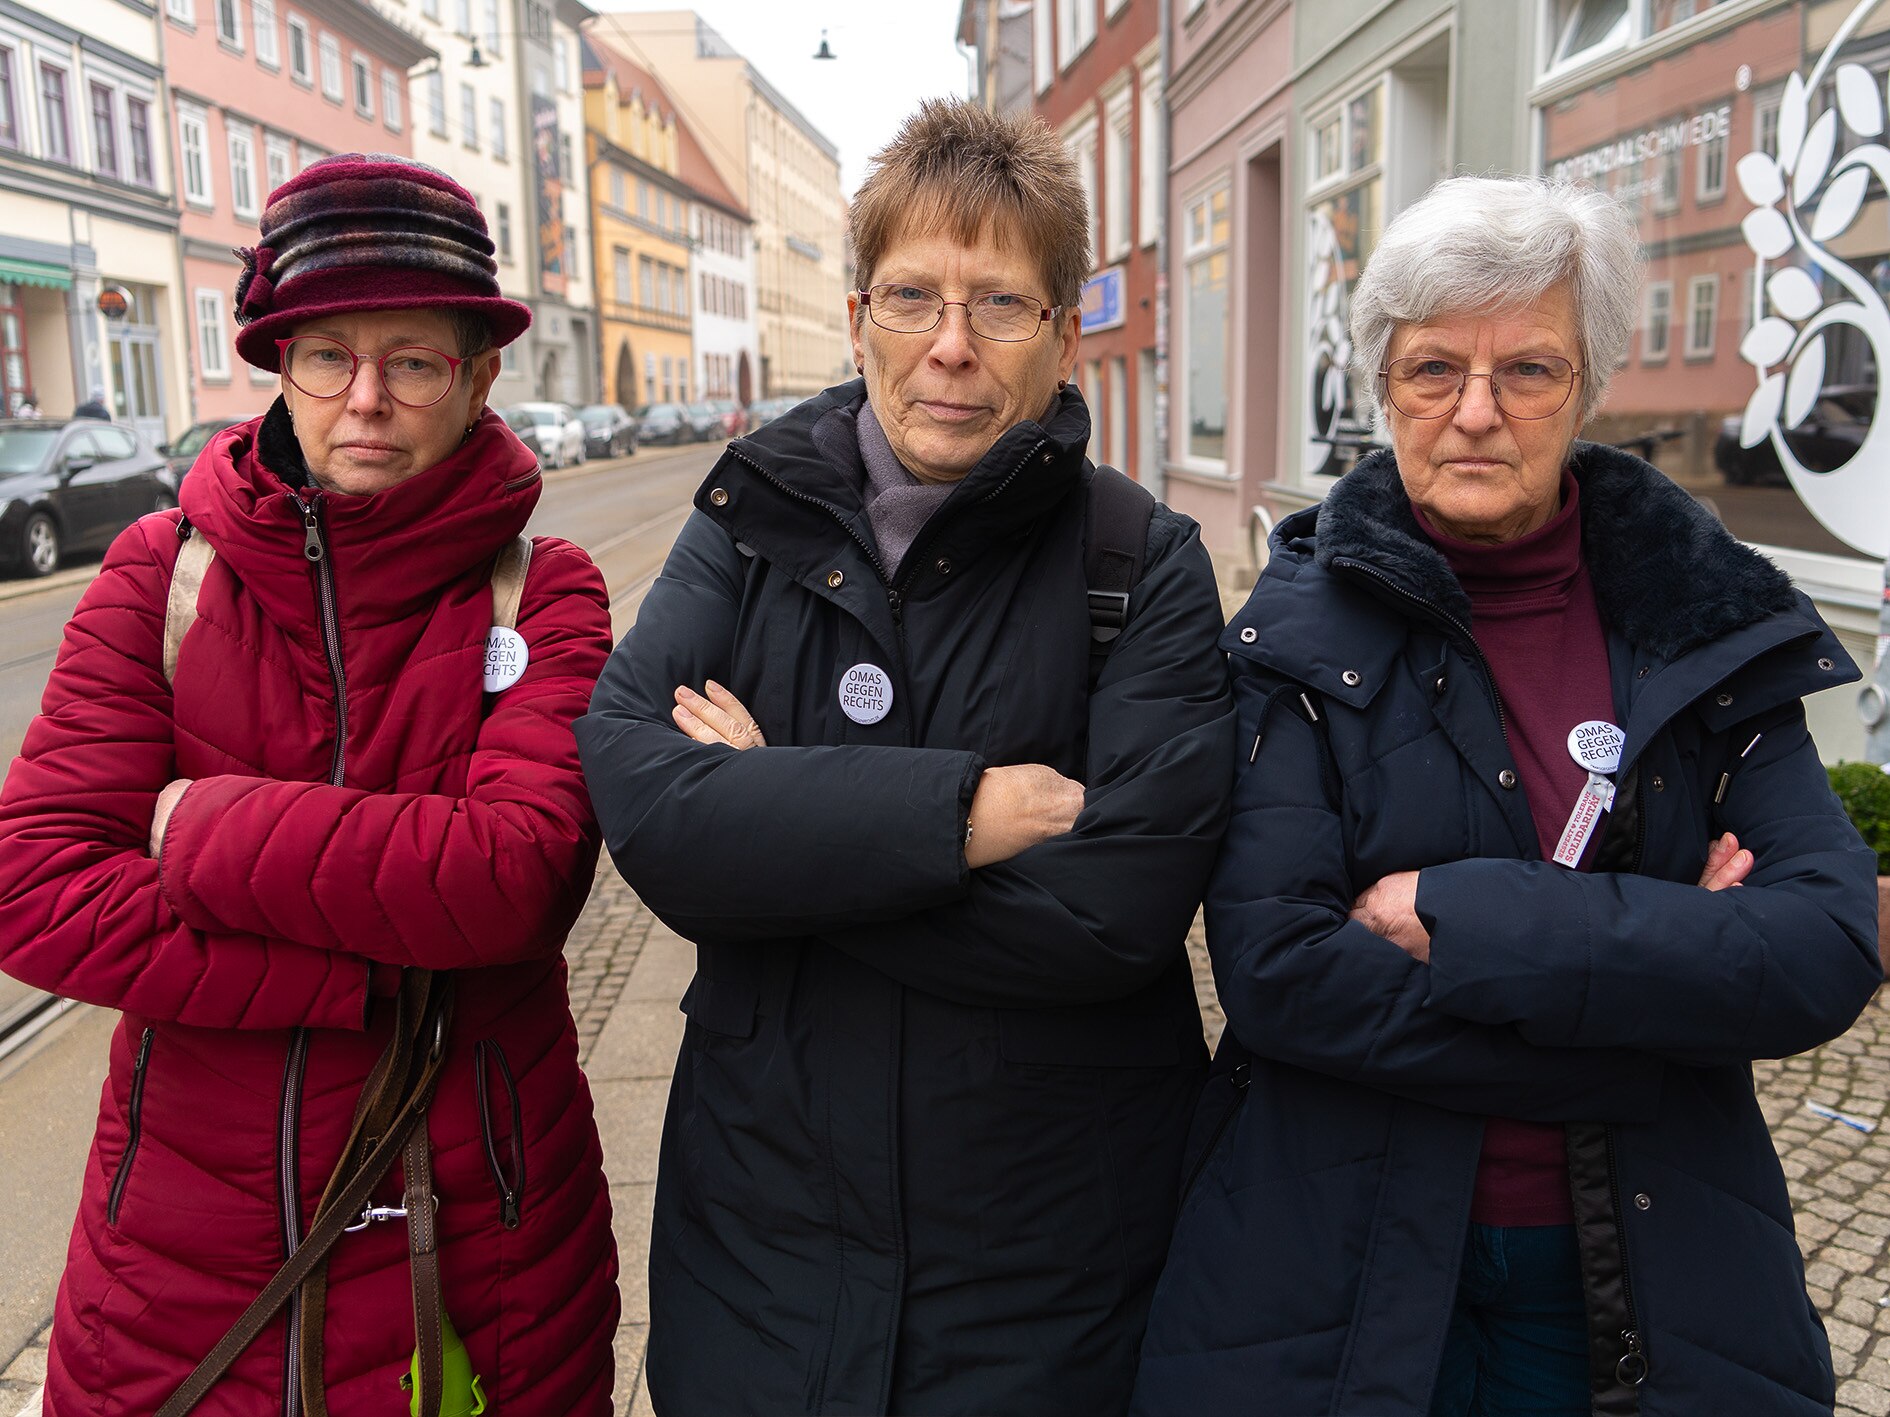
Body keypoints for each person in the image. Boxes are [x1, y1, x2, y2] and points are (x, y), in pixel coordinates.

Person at [1133, 175, 1883, 1417]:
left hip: (1650, 1259)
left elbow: (1821, 940)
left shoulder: (1706, 630)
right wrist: (1659, 997)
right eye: (1434, 370)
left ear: (1587, 389)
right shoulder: (1293, 631)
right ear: (1384, 386)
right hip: (1336, 1256)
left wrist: (1467, 917)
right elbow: (1279, 972)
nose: (1475, 413)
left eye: (1527, 370)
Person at [577, 98, 1234, 1417]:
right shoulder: (745, 518)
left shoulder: (1136, 560)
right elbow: (646, 807)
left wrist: (775, 828)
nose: (948, 348)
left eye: (999, 305)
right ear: (858, 310)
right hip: (761, 1250)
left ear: (1062, 333)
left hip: (1049, 1268)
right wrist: (963, 814)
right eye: (911, 297)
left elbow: (1114, 911)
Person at [0, 154, 618, 1415]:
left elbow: (515, 880)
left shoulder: (542, 588)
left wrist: (201, 830)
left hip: (478, 1248)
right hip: (178, 1259)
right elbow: (37, 887)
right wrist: (370, 966)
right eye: (329, 355)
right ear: (281, 366)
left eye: (414, 360)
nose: (367, 400)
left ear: (479, 373)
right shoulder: (159, 576)